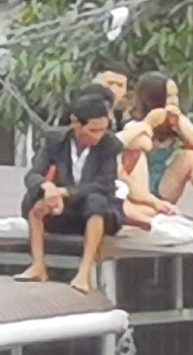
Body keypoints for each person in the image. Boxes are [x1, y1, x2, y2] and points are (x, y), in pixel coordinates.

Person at [22, 90, 126, 294]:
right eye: (93, 130)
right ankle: (38, 265)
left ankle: (84, 273)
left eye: (103, 130)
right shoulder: (55, 140)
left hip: (98, 209)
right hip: (65, 208)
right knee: (35, 200)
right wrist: (48, 188)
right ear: (75, 123)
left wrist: (64, 192)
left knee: (96, 202)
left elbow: (104, 185)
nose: (98, 136)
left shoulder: (110, 145)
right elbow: (33, 175)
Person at [125, 71, 193, 221]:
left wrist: (180, 124)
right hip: (139, 191)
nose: (174, 101)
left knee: (192, 157)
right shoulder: (135, 125)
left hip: (164, 187)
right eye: (169, 96)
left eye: (176, 96)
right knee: (138, 151)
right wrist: (150, 123)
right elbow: (138, 146)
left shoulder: (177, 121)